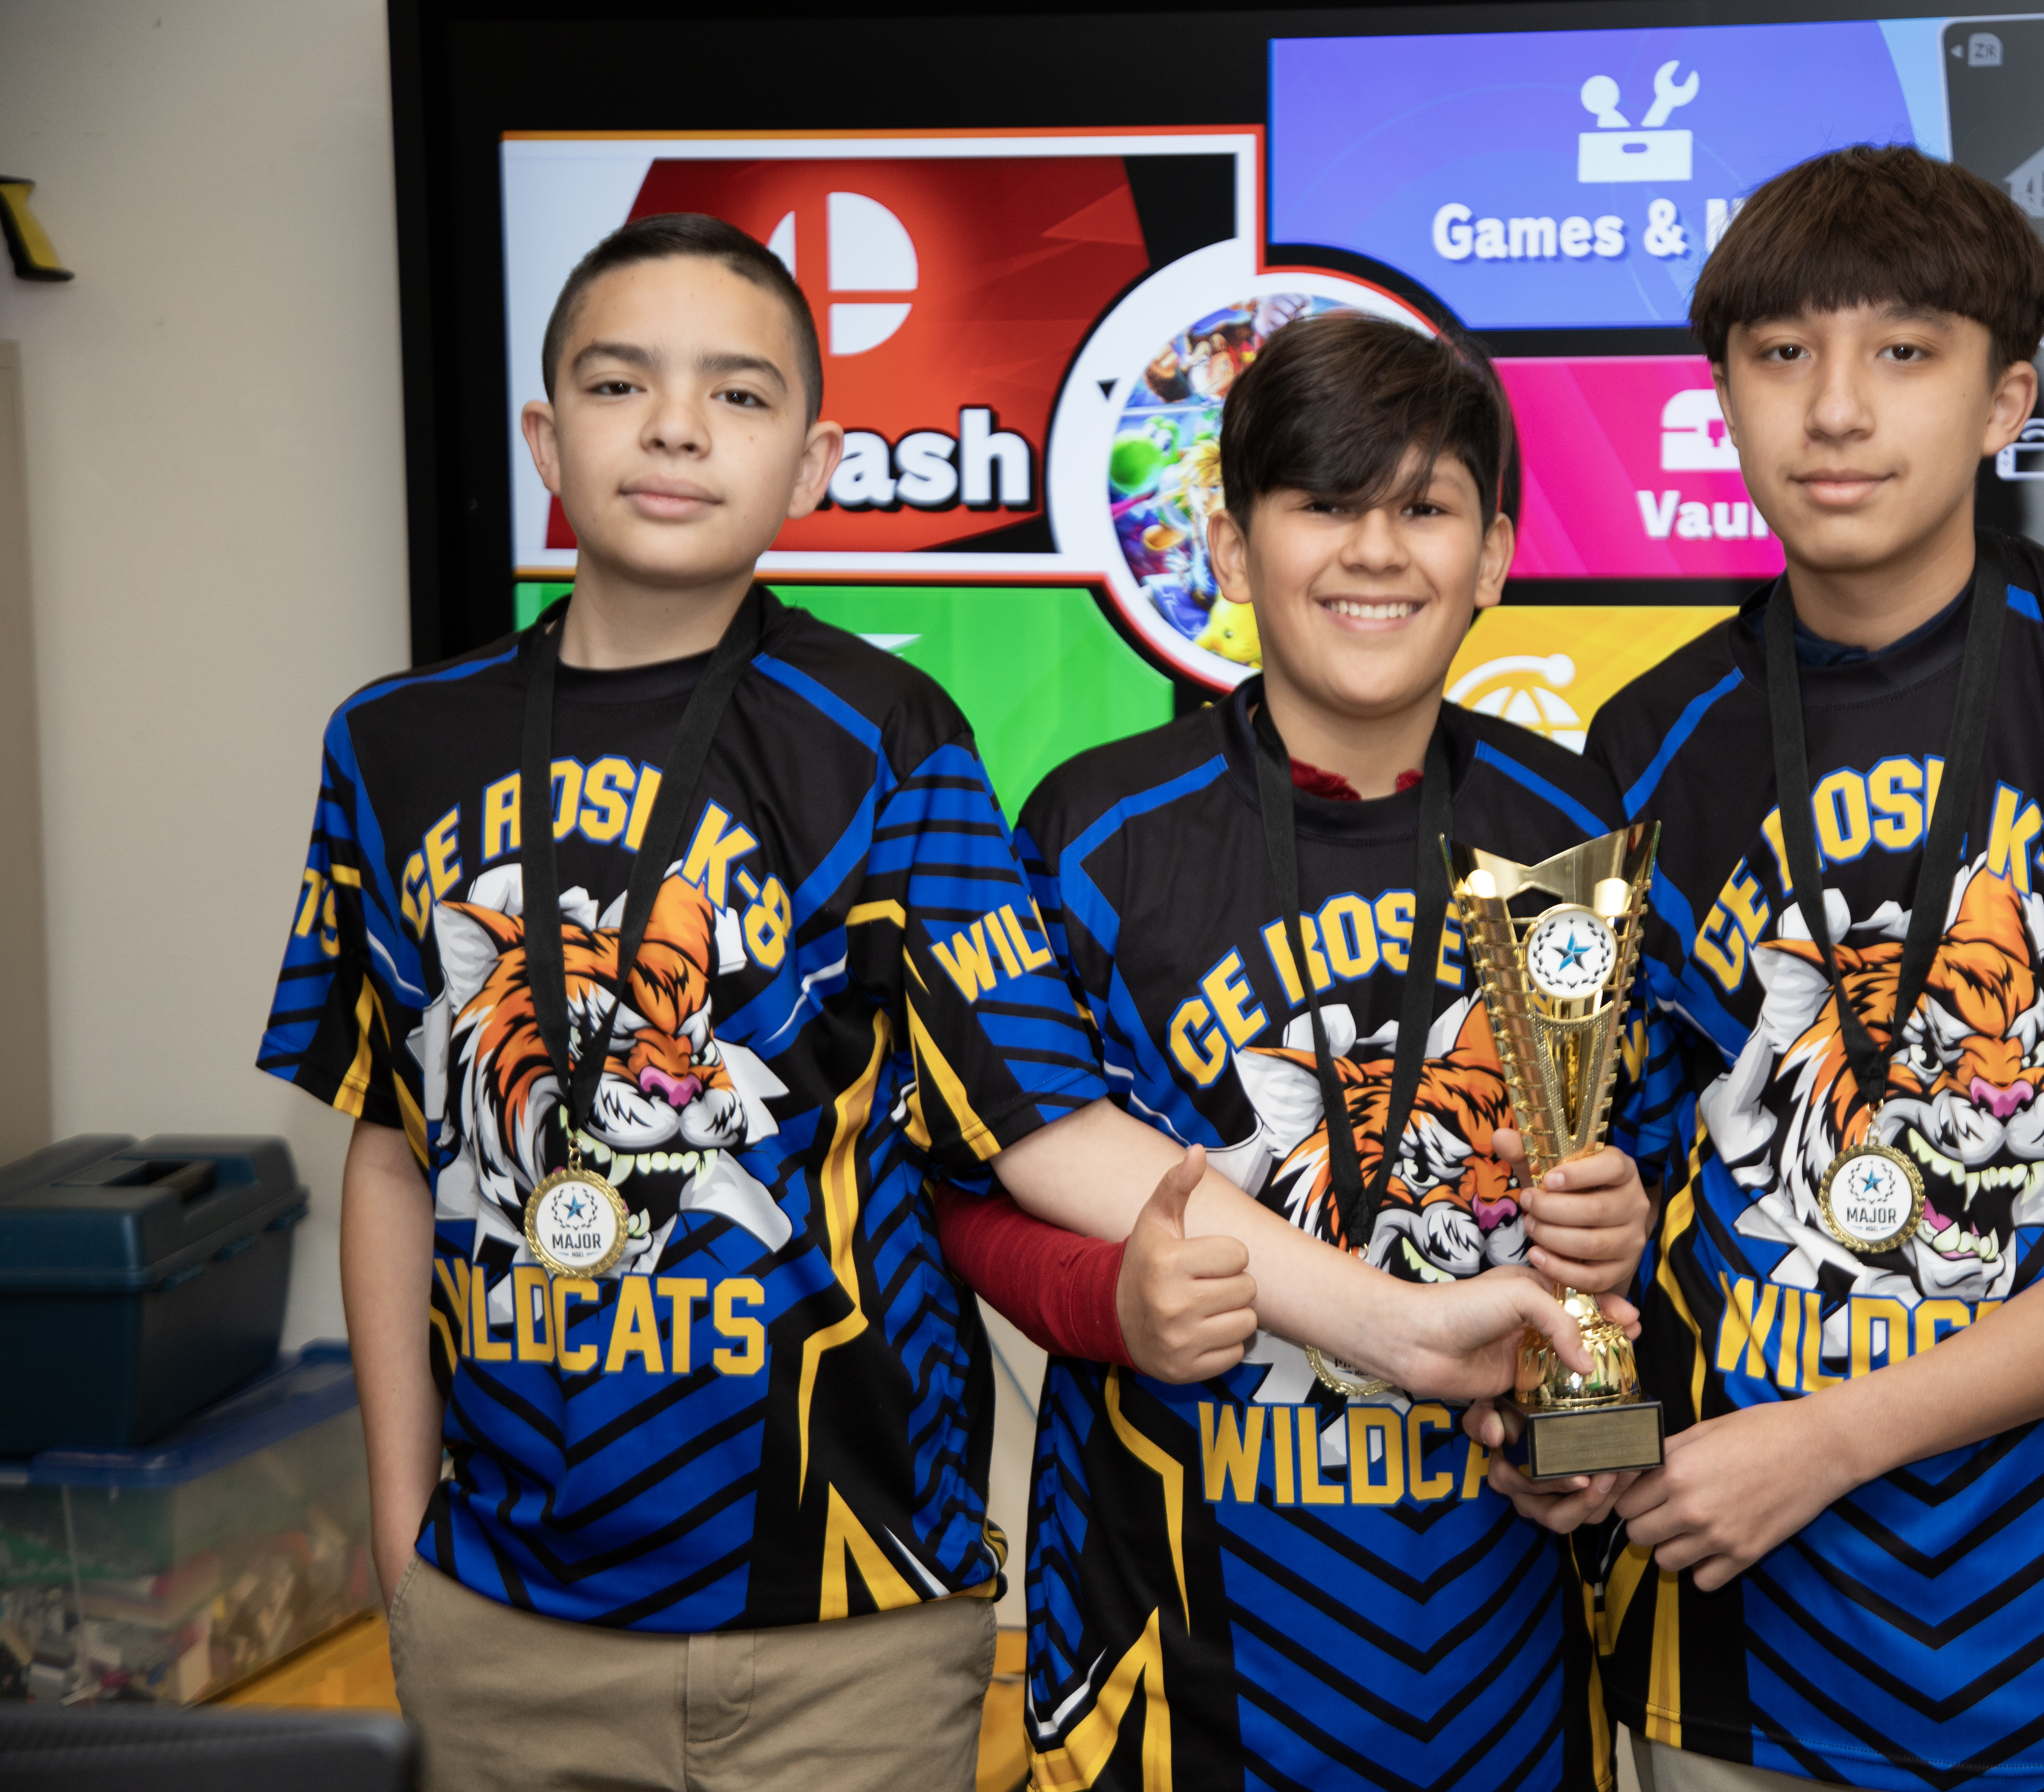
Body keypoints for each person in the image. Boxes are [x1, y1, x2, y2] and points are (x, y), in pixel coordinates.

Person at [257, 215, 1597, 1792]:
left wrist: (1542, 1394)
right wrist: (404, 1539)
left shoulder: (894, 736)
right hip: (568, 1610)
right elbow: (398, 1144)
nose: (680, 426)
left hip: (889, 1610)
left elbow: (1041, 1132)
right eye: (625, 384)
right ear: (546, 437)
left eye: (739, 396)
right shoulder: (397, 745)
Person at [1522, 145, 2044, 1791]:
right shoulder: (1636, 747)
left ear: (2004, 403)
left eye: (1904, 353)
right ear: (1726, 399)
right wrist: (1569, 1442)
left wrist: (1832, 1438)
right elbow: (1589, 1196)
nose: (1836, 410)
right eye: (1784, 355)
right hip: (1725, 1632)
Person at [951, 309, 1653, 1791]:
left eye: (1424, 506)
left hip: (1499, 1666)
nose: (1375, 550)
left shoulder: (1561, 830)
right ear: (1228, 544)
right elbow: (970, 1181)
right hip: (1172, 1661)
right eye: (1323, 502)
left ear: (1498, 555)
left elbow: (1578, 1215)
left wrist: (1590, 1440)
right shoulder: (1093, 831)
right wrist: (1112, 1302)